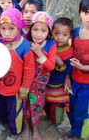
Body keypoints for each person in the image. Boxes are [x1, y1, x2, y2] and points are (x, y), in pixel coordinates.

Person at [0, 8, 35, 140]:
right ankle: (2, 123)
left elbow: (29, 70)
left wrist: (24, 88)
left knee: (15, 113)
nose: (6, 33)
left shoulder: (25, 46)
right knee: (0, 109)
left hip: (15, 91)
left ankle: (14, 134)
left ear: (19, 27)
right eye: (3, 28)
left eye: (11, 29)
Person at [23, 11, 56, 140]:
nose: (38, 34)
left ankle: (35, 128)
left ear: (49, 32)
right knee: (24, 103)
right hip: (25, 81)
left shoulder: (50, 45)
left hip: (40, 84)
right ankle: (26, 126)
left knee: (37, 104)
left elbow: (51, 66)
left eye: (43, 30)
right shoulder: (25, 41)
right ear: (30, 29)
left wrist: (39, 52)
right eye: (35, 29)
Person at [44, 17, 73, 134]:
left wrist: (59, 61)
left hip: (59, 85)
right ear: (51, 32)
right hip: (45, 83)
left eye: (64, 35)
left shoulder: (69, 51)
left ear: (70, 36)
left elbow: (68, 70)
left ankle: (55, 123)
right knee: (46, 103)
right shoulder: (48, 45)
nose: (60, 37)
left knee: (57, 107)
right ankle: (48, 117)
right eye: (56, 33)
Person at [68, 0, 89, 139]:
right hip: (74, 80)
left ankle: (81, 135)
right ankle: (74, 130)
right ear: (80, 13)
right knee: (71, 108)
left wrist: (82, 68)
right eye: (86, 12)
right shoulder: (75, 32)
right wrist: (67, 77)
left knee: (83, 111)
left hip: (87, 85)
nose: (88, 17)